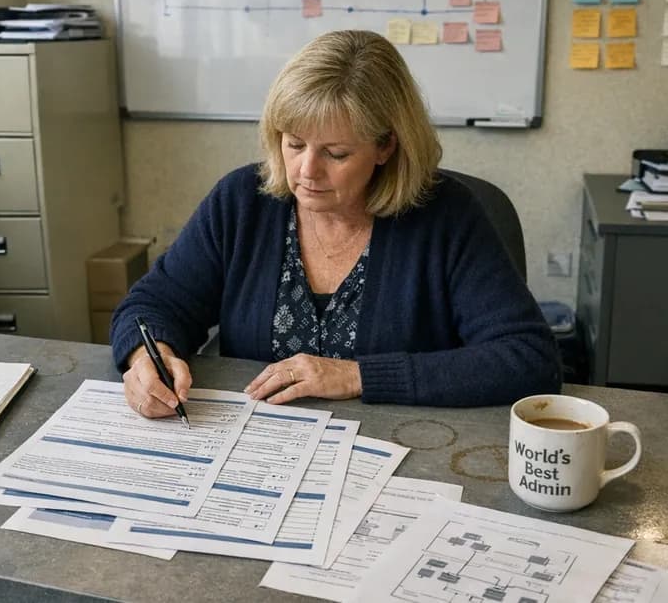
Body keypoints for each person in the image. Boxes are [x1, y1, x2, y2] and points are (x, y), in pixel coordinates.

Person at [111, 30, 561, 419]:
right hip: (254, 453)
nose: (306, 171)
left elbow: (527, 359)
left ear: (385, 146)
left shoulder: (447, 218)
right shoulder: (242, 202)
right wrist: (147, 358)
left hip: (407, 456)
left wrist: (359, 375)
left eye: (336, 153)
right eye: (294, 143)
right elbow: (152, 304)